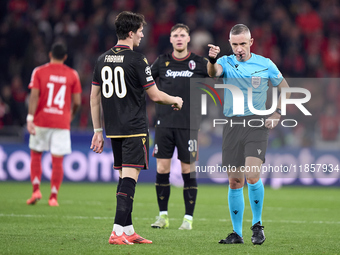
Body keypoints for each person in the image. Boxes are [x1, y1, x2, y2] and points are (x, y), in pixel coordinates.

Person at [90, 11, 183, 245]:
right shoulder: (137, 59)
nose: (143, 35)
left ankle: (128, 230)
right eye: (140, 31)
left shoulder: (101, 59)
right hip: (134, 129)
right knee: (130, 180)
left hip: (113, 130)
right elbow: (155, 95)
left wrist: (97, 131)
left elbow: (94, 97)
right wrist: (175, 99)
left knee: (123, 179)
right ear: (130, 33)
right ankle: (116, 232)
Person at [207, 24, 290, 245]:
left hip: (257, 124)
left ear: (251, 42)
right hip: (232, 125)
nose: (239, 48)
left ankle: (257, 225)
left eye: (243, 44)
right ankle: (236, 233)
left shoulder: (265, 64)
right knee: (235, 181)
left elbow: (286, 88)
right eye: (234, 44)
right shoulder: (224, 61)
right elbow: (213, 73)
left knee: (252, 175)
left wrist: (278, 112)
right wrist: (212, 60)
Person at [150, 23, 209, 230]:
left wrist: (214, 59)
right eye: (175, 35)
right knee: (162, 168)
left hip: (189, 125)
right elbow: (146, 82)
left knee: (188, 170)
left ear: (188, 39)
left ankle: (188, 219)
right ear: (171, 39)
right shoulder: (161, 62)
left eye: (183, 35)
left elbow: (215, 74)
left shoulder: (199, 63)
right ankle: (163, 216)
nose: (179, 38)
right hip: (164, 124)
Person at [26, 42, 82, 207]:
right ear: (65, 57)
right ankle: (53, 197)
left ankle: (36, 190)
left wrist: (30, 118)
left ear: (50, 54)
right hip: (61, 122)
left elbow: (34, 96)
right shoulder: (72, 74)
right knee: (57, 161)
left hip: (41, 120)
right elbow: (77, 101)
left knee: (36, 155)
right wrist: (70, 115)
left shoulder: (39, 72)